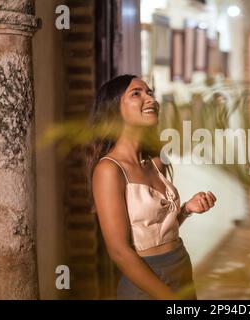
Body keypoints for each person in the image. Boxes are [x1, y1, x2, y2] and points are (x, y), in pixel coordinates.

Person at [86, 74, 217, 300]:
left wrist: (186, 209)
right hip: (146, 283)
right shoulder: (109, 170)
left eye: (149, 92)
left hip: (181, 268)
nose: (150, 99)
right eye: (136, 93)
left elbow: (156, 229)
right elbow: (119, 251)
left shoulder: (156, 162)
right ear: (113, 109)